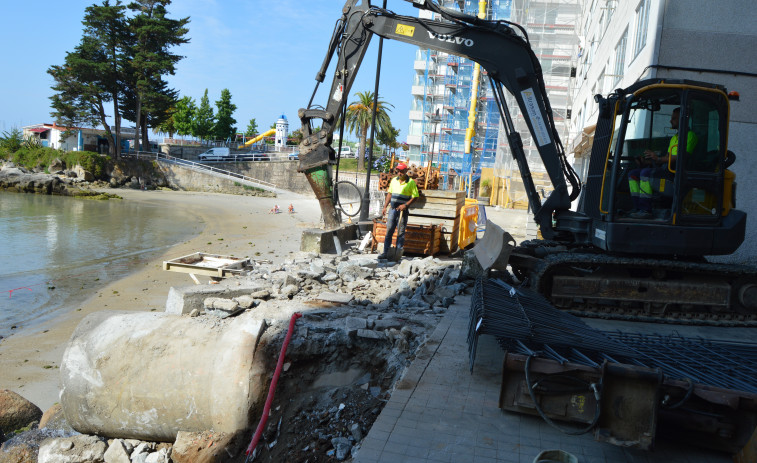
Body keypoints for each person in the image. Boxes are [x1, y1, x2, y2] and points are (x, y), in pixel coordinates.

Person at [628, 107, 697, 219]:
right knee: (633, 173)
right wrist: (646, 161)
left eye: (674, 118)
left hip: (676, 174)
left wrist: (658, 158)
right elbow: (667, 157)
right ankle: (638, 208)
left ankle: (646, 210)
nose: (671, 120)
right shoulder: (675, 138)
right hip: (666, 170)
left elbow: (681, 157)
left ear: (684, 119)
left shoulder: (690, 136)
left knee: (645, 173)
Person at [378, 163, 419, 259]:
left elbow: (415, 197)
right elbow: (389, 194)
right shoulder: (393, 181)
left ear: (406, 171)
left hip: (402, 212)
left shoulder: (411, 183)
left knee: (400, 233)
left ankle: (398, 254)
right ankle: (386, 252)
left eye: (401, 171)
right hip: (392, 210)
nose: (399, 173)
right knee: (389, 232)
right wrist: (385, 207)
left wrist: (405, 205)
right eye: (398, 171)